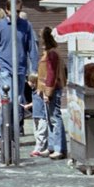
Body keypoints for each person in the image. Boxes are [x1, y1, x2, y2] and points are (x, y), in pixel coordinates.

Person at [0, 0, 38, 140]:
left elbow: (32, 48)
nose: (16, 14)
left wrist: (35, 70)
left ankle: (13, 133)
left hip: (20, 70)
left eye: (19, 11)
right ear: (7, 10)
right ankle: (1, 135)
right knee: (7, 101)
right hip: (5, 69)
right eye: (14, 11)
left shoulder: (26, 26)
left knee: (18, 101)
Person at [37, 27, 67, 160]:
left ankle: (58, 148)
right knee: (50, 118)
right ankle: (52, 147)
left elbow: (51, 74)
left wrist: (48, 92)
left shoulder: (52, 54)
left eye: (41, 37)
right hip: (50, 89)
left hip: (52, 89)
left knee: (55, 118)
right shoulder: (50, 53)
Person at [25, 73, 49, 157]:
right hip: (35, 115)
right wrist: (28, 105)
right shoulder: (33, 91)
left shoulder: (40, 91)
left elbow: (45, 99)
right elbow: (35, 101)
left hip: (42, 115)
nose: (27, 82)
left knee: (41, 133)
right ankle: (42, 148)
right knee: (36, 133)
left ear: (34, 82)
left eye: (29, 81)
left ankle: (38, 149)